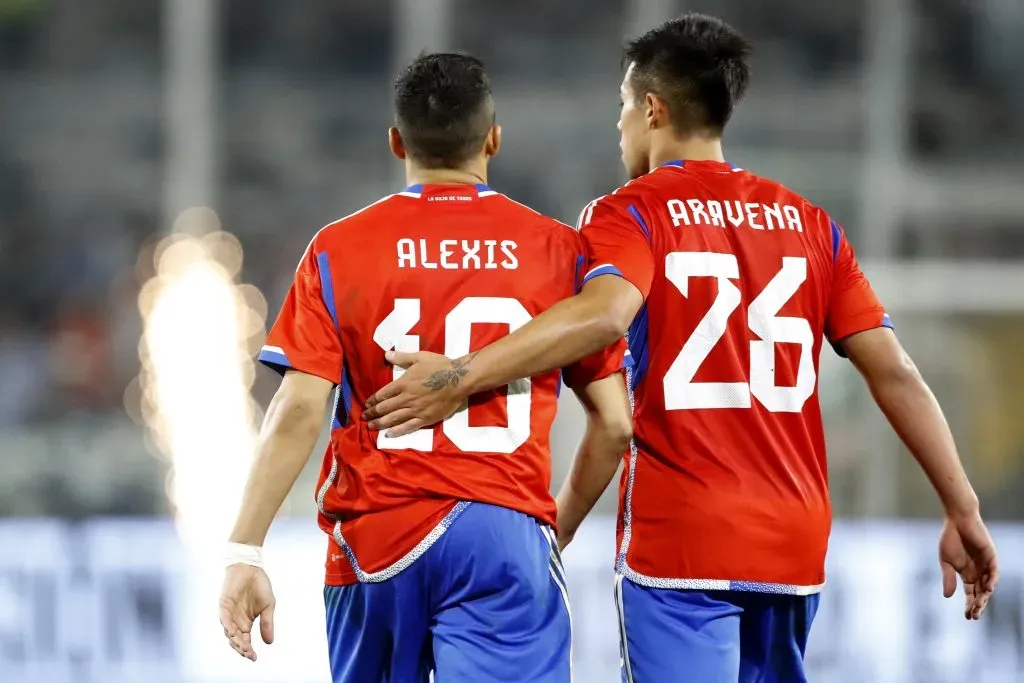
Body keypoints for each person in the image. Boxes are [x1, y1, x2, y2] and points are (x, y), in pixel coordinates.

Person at [361, 15, 1000, 683]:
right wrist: (962, 505)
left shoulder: (630, 213)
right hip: (793, 538)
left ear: (653, 109)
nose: (619, 124)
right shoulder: (812, 225)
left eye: (623, 105)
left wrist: (458, 375)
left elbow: (604, 316)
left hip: (682, 540)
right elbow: (895, 371)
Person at [218, 52, 631, 683]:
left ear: (396, 141)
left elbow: (299, 407)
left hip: (378, 535)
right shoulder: (560, 251)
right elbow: (615, 424)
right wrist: (554, 528)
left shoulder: (338, 248)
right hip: (502, 528)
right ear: (493, 139)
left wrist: (245, 548)